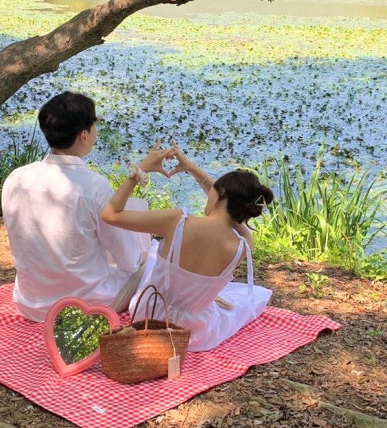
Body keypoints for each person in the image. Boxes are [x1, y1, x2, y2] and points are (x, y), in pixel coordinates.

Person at [101, 141, 274, 351]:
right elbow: (232, 213)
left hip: (150, 315)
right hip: (196, 334)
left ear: (220, 193)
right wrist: (194, 170)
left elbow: (110, 214)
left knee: (154, 253)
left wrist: (141, 169)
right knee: (249, 298)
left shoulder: (176, 221)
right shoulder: (243, 246)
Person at [1, 91, 149, 321]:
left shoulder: (16, 179)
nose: (96, 133)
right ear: (83, 135)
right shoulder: (94, 187)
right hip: (84, 305)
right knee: (149, 263)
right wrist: (144, 254)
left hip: (30, 303)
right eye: (94, 127)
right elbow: (129, 261)